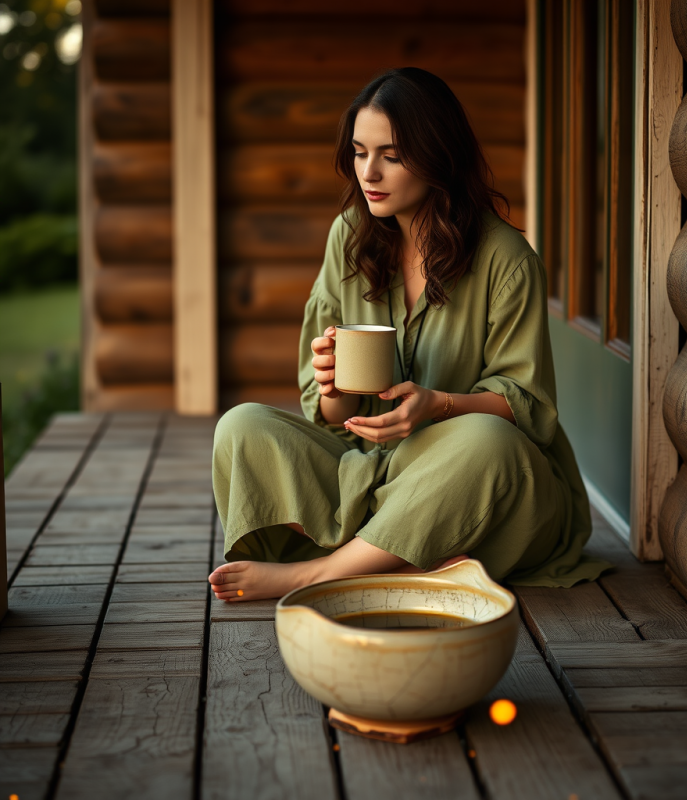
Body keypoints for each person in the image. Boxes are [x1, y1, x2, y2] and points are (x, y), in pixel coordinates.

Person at [209, 67, 609, 602]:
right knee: (241, 426)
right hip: (372, 470)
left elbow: (527, 406)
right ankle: (404, 557)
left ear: (438, 156)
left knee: (488, 442)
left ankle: (319, 574)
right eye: (359, 152)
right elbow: (331, 418)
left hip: (473, 478)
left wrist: (438, 405)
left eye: (391, 156)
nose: (368, 172)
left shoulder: (506, 260)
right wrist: (332, 386)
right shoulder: (349, 236)